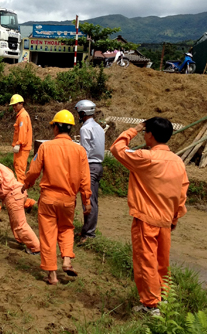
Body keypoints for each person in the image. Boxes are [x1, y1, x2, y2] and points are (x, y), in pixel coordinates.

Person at [110, 117, 189, 316]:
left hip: (146, 220)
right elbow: (182, 193)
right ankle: (165, 299)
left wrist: (133, 129)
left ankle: (151, 305)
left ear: (150, 135)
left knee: (146, 262)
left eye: (145, 131)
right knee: (162, 263)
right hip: (165, 221)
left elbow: (117, 148)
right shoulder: (178, 162)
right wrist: (175, 217)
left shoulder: (144, 157)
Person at [22, 110, 91, 285]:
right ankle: (67, 259)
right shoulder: (80, 151)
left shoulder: (45, 147)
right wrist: (86, 201)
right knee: (67, 228)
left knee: (48, 234)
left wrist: (26, 184)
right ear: (71, 129)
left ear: (55, 128)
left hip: (48, 199)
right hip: (68, 200)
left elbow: (34, 171)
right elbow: (85, 179)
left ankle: (52, 275)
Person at [74, 100, 105, 245]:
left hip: (90, 166)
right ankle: (87, 229)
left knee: (88, 200)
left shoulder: (85, 129)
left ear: (82, 113)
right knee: (93, 200)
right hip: (98, 166)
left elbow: (84, 153)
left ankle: (89, 234)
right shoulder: (98, 127)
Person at [9, 94, 36, 209]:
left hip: (22, 148)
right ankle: (23, 198)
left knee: (20, 173)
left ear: (21, 104)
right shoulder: (20, 116)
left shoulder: (23, 116)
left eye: (15, 105)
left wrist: (19, 144)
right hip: (21, 148)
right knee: (19, 170)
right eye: (13, 105)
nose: (14, 107)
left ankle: (24, 200)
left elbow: (23, 132)